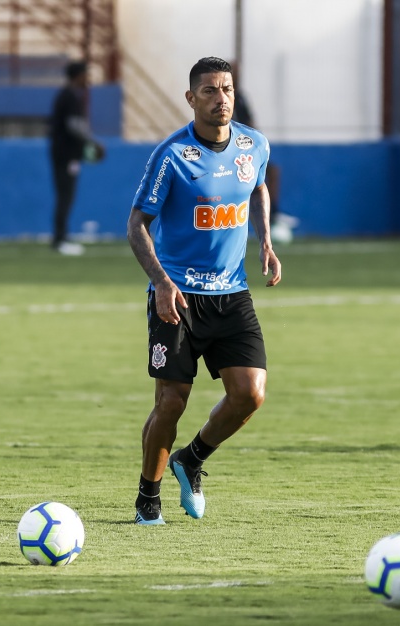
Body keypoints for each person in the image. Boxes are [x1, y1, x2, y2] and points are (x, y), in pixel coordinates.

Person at [126, 57, 282, 525]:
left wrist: (266, 242)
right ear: (191, 98)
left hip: (231, 292)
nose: (222, 99)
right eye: (211, 91)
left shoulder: (255, 145)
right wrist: (160, 282)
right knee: (171, 400)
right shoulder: (171, 155)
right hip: (177, 297)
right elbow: (136, 225)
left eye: (228, 89)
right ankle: (147, 497)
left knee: (249, 394)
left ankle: (191, 459)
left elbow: (257, 188)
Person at [48, 60, 104, 256]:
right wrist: (93, 143)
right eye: (85, 75)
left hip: (66, 155)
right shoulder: (69, 97)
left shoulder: (69, 96)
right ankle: (60, 239)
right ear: (77, 76)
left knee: (66, 196)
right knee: (65, 196)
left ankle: (62, 236)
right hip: (65, 156)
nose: (88, 79)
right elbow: (74, 126)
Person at [231, 77, 299, 237]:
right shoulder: (222, 98)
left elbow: (250, 121)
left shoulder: (240, 97)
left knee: (271, 171)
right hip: (231, 149)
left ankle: (273, 214)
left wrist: (255, 143)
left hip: (245, 148)